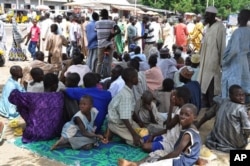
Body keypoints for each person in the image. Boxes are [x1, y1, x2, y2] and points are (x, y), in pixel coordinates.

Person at [118, 103, 201, 166]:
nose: (182, 116)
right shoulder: (187, 128)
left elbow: (176, 153)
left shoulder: (188, 133)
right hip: (180, 157)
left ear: (195, 117)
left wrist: (161, 159)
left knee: (156, 162)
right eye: (181, 114)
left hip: (180, 162)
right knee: (156, 153)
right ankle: (137, 163)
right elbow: (191, 150)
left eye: (187, 115)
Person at [205, 85, 250, 152]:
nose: (241, 98)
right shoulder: (241, 109)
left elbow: (215, 99)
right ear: (230, 96)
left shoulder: (223, 101)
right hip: (235, 144)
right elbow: (247, 129)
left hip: (217, 140)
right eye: (238, 95)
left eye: (243, 95)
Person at [197, 6, 226, 107]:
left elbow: (222, 46)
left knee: (211, 85)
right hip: (204, 62)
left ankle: (212, 108)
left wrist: (222, 63)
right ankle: (206, 107)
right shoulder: (207, 27)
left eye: (207, 15)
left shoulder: (220, 27)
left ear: (213, 16)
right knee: (203, 86)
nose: (205, 16)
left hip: (213, 62)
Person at [107, 67, 141, 146]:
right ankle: (112, 129)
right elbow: (124, 118)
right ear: (132, 79)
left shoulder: (128, 90)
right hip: (118, 123)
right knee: (138, 142)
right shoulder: (125, 95)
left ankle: (123, 134)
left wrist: (139, 121)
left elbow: (130, 108)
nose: (138, 79)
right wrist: (134, 134)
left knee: (145, 134)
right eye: (136, 77)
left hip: (127, 120)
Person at [221, 9, 250, 98]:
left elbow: (234, 50)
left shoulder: (238, 32)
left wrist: (225, 61)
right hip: (244, 61)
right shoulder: (248, 31)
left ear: (240, 18)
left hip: (235, 61)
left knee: (232, 85)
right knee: (243, 84)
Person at [95, 9, 121, 76]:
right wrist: (112, 35)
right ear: (107, 14)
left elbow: (96, 32)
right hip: (109, 44)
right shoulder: (112, 22)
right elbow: (119, 30)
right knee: (109, 62)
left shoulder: (97, 23)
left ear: (101, 15)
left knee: (99, 62)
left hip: (101, 45)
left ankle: (97, 77)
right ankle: (109, 76)